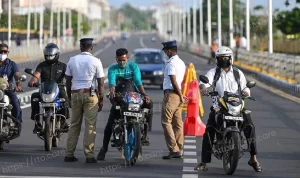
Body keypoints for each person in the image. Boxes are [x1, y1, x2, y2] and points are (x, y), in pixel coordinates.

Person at [194, 46, 262, 172]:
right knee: (209, 130)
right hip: (219, 107)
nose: (224, 60)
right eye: (221, 58)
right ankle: (204, 162)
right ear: (217, 59)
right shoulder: (214, 72)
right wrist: (203, 88)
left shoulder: (237, 73)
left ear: (231, 58)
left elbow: (245, 87)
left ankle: (253, 158)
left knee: (250, 127)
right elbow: (204, 82)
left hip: (237, 106)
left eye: (226, 57)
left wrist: (246, 92)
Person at [97, 48, 153, 161]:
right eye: (119, 60)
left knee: (149, 104)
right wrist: (112, 91)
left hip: (135, 95)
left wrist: (144, 94)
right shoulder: (113, 69)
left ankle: (146, 132)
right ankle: (104, 149)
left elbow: (138, 81)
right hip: (120, 96)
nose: (122, 62)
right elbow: (112, 82)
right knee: (110, 123)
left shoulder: (134, 67)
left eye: (124, 60)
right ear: (116, 59)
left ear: (127, 58)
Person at [64, 38, 105, 163]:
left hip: (76, 94)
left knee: (74, 125)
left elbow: (68, 81)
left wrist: (69, 97)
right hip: (90, 95)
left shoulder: (72, 60)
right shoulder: (96, 61)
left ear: (80, 46)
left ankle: (69, 154)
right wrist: (101, 99)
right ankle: (89, 155)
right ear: (91, 47)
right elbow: (101, 82)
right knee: (90, 125)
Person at [28, 43, 70, 133]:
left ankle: (63, 121)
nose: (49, 57)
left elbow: (68, 77)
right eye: (47, 55)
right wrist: (32, 81)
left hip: (59, 89)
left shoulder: (63, 66)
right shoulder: (42, 65)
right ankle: (37, 122)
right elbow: (36, 75)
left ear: (57, 54)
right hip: (45, 89)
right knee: (34, 97)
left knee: (65, 99)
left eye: (51, 55)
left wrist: (70, 83)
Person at [160, 40, 187, 159]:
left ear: (170, 51)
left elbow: (173, 80)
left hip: (171, 94)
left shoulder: (171, 63)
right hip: (178, 95)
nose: (165, 53)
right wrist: (181, 95)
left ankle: (173, 149)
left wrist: (180, 95)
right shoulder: (181, 62)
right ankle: (179, 149)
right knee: (178, 123)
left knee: (166, 121)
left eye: (166, 50)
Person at [0, 43, 23, 123]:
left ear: (7, 52)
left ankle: (17, 122)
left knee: (15, 103)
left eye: (4, 51)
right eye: (0, 51)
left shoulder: (12, 64)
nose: (2, 53)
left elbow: (17, 76)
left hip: (8, 89)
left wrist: (18, 85)